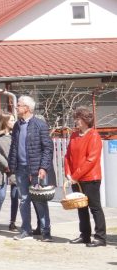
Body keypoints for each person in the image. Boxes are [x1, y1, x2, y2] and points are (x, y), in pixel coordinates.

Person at [9, 95, 54, 242]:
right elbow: (14, 147)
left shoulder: (40, 125)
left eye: (19, 105)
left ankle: (46, 232)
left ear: (27, 108)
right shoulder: (17, 125)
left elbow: (48, 148)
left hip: (36, 169)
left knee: (40, 200)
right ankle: (26, 230)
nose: (16, 107)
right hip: (20, 168)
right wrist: (11, 166)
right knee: (24, 200)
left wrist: (43, 167)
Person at [64, 108, 105, 247]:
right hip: (76, 178)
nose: (76, 121)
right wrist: (68, 173)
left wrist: (75, 176)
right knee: (81, 207)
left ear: (86, 120)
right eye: (75, 118)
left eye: (78, 118)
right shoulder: (74, 135)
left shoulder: (94, 135)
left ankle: (100, 237)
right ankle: (85, 235)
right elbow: (67, 156)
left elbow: (91, 159)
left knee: (95, 207)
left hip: (90, 178)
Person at [0, 114, 16, 233]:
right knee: (1, 196)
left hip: (15, 168)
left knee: (15, 196)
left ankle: (12, 222)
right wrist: (7, 165)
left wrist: (13, 165)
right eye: (12, 120)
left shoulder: (16, 134)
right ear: (5, 121)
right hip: (2, 169)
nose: (14, 122)